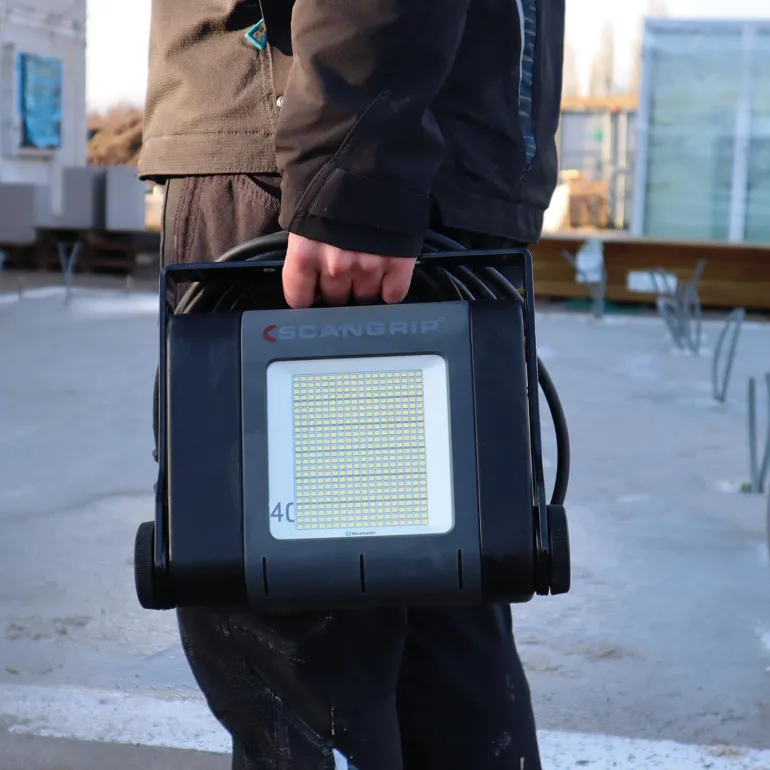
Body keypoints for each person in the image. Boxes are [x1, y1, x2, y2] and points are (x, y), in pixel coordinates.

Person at [138, 1, 565, 768]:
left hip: (306, 149)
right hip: (417, 144)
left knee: (299, 652)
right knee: (442, 622)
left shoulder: (348, 167)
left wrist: (353, 171)